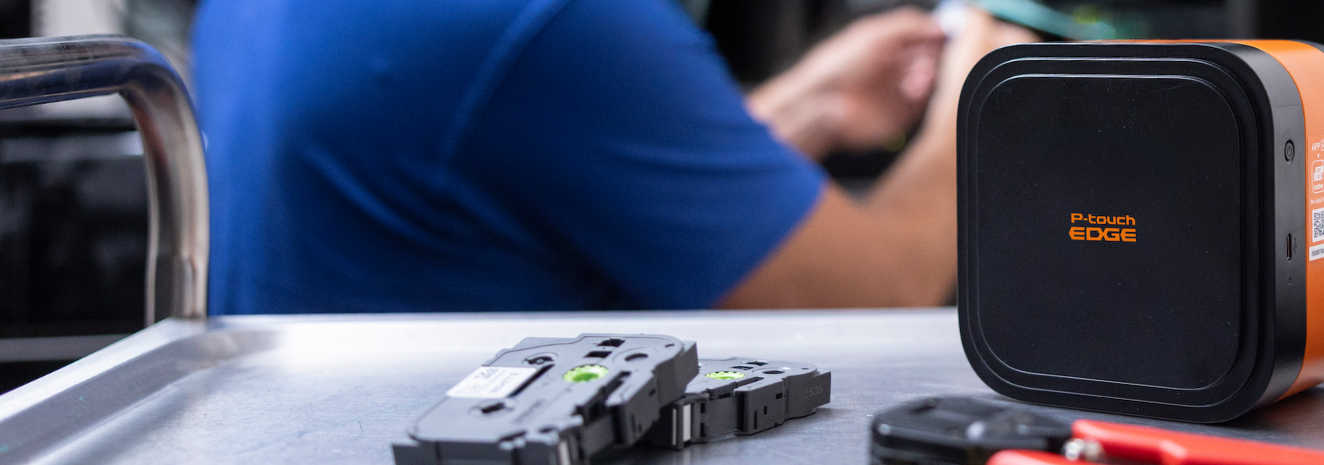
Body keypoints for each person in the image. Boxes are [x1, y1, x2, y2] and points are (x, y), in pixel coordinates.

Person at [191, 0, 1036, 314]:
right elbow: (874, 290)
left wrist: (806, 103)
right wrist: (983, 101)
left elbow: (547, 172)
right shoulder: (560, 24)